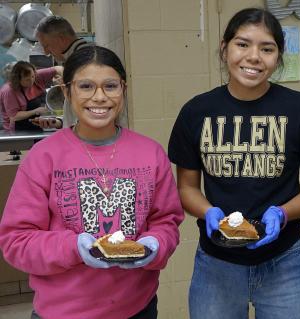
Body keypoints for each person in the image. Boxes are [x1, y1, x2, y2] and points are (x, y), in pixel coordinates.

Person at [0, 45, 184, 319]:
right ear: (67, 91)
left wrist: (155, 245)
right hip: (62, 312)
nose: (99, 97)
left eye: (110, 86)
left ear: (123, 89)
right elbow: (16, 242)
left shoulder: (150, 153)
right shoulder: (44, 157)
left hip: (138, 309)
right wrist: (73, 247)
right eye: (86, 86)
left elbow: (166, 221)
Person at [168, 7, 300, 319]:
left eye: (267, 48)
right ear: (224, 48)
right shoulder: (196, 111)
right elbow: (186, 187)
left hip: (285, 260)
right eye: (242, 44)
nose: (254, 56)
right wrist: (208, 212)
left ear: (278, 57)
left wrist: (282, 214)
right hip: (216, 261)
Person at [32, 15, 91, 129]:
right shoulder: (74, 58)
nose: (46, 53)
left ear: (61, 39)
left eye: (46, 45)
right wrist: (59, 122)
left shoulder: (85, 58)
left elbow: (92, 109)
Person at [0, 61, 62, 131]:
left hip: (38, 124)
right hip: (18, 130)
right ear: (17, 79)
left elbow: (58, 69)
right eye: (27, 80)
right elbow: (14, 116)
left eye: (33, 77)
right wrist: (34, 111)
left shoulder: (34, 74)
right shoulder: (9, 91)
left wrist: (65, 79)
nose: (32, 80)